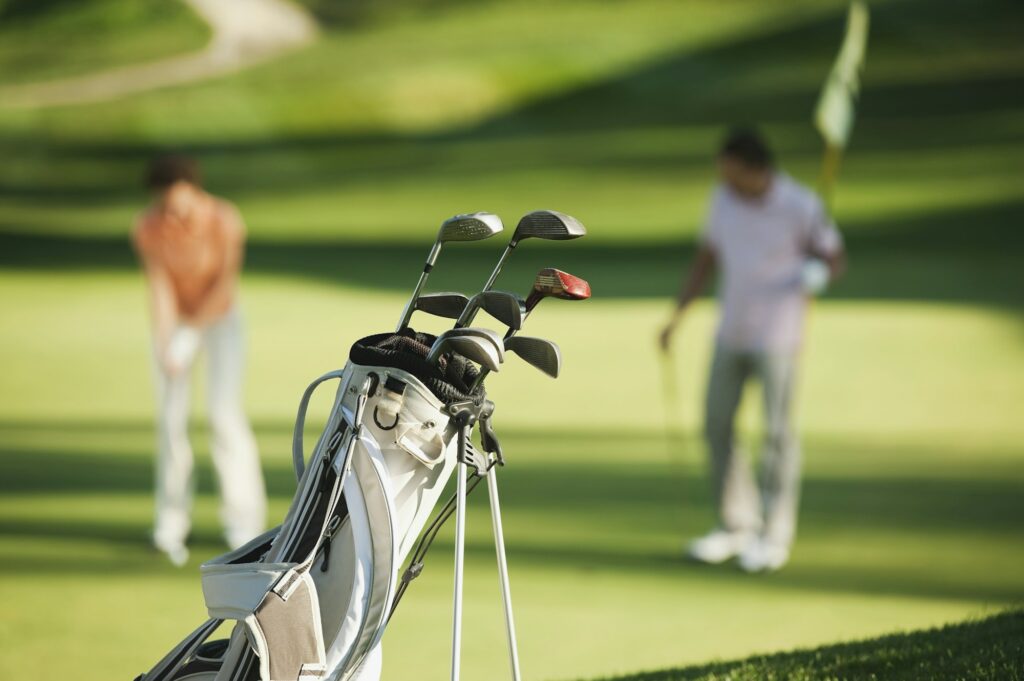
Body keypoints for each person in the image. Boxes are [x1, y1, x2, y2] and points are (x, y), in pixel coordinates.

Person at [659, 129, 845, 572]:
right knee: (717, 424)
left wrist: (818, 273)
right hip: (731, 331)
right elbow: (706, 260)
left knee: (778, 435)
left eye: (732, 172)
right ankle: (735, 525)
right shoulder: (722, 200)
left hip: (780, 335)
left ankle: (774, 535)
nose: (725, 181)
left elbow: (833, 257)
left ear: (755, 168)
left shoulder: (800, 204)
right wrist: (677, 317)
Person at [133, 155, 266, 566]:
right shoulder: (148, 226)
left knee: (223, 414)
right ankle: (169, 527)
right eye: (165, 201)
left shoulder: (224, 218)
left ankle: (244, 525)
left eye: (178, 200)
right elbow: (159, 287)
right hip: (177, 327)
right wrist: (166, 341)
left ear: (193, 189)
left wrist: (191, 335)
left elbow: (224, 283)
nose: (172, 210)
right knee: (171, 422)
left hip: (221, 321)